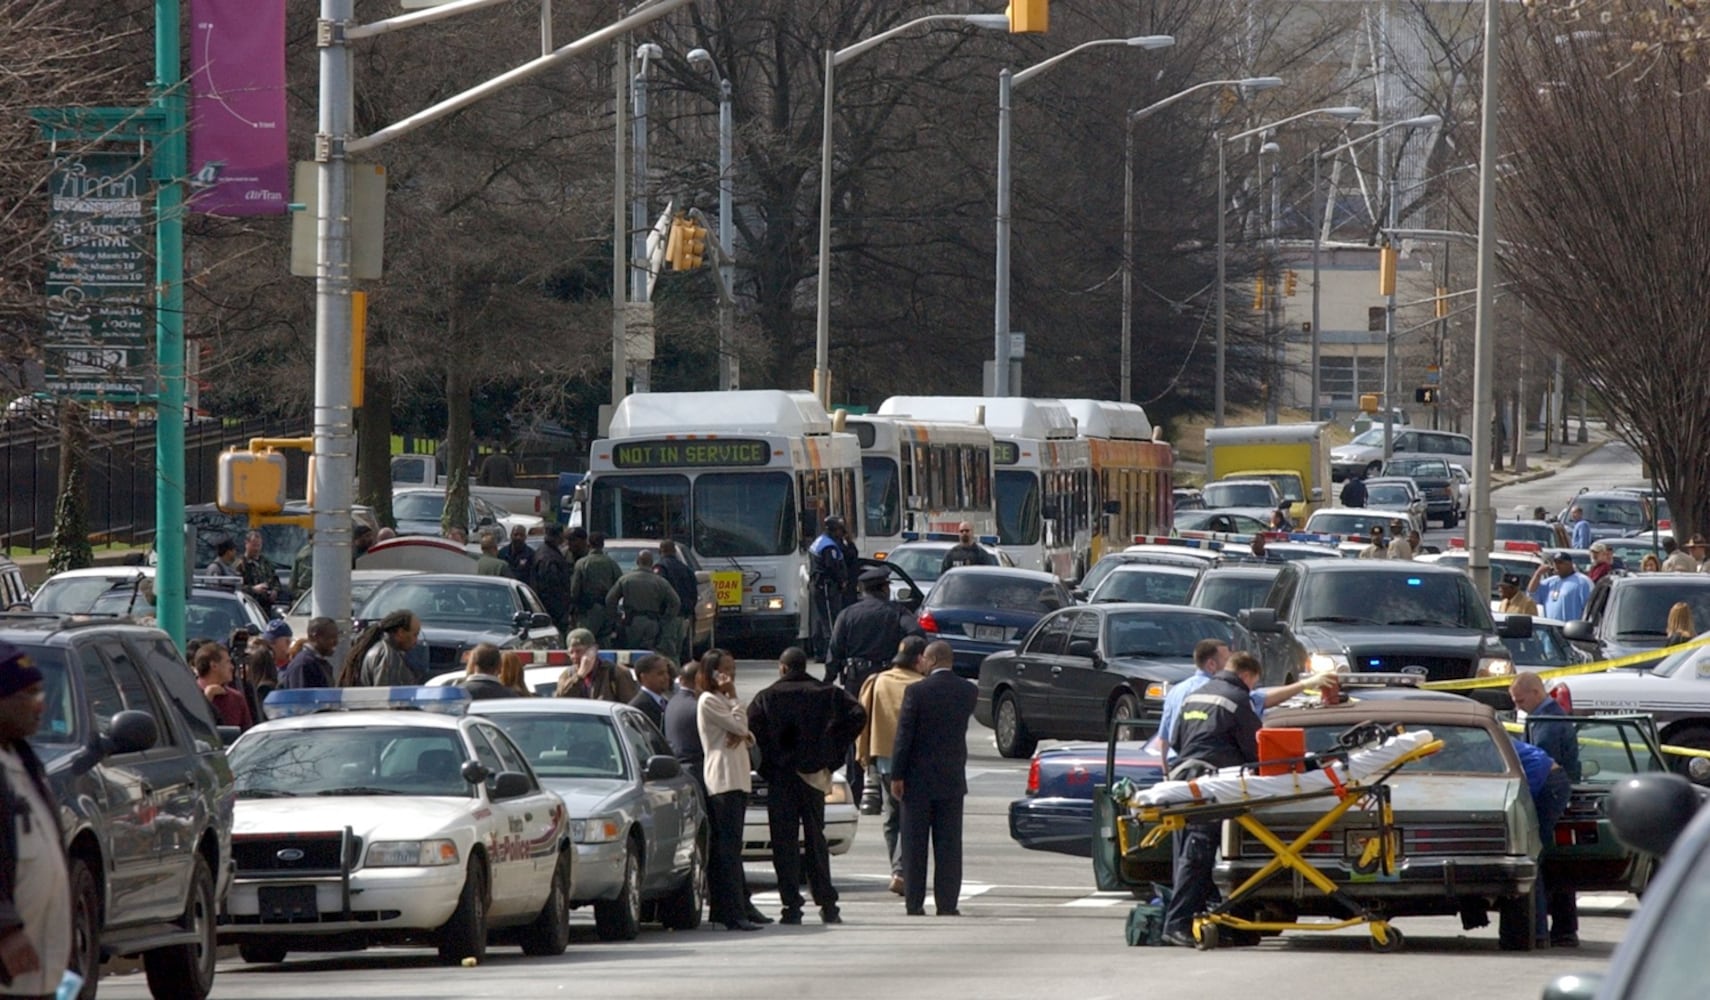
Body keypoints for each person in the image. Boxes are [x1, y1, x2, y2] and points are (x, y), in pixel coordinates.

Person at [747, 647, 868, 925]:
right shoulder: (827, 694)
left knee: (784, 842)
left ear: (782, 667)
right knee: (816, 839)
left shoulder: (767, 697)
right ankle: (828, 904)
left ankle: (791, 906)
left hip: (781, 777)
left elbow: (753, 733)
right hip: (814, 776)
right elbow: (857, 715)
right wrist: (831, 754)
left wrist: (769, 764)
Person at [1162, 652, 1263, 948]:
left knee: (1192, 853)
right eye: (1253, 682)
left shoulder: (1196, 695)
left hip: (1185, 778)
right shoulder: (1238, 698)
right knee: (1199, 852)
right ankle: (1177, 923)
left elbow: (1177, 740)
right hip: (1213, 783)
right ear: (1247, 676)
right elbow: (1254, 749)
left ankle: (1206, 918)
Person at [0, 642, 72, 999]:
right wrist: (6, 930)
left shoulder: (25, 763)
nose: (40, 703)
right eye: (28, 693)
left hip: (36, 977)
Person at [889, 640, 976, 918]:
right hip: (951, 776)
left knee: (915, 846)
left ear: (933, 659)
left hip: (917, 778)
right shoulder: (968, 691)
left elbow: (904, 736)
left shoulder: (916, 692)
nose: (922, 664)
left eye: (925, 659)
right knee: (949, 846)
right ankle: (947, 904)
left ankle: (914, 903)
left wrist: (897, 774)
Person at [826, 566, 923, 804]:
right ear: (884, 589)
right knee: (888, 730)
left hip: (855, 679)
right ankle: (886, 786)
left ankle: (857, 789)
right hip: (886, 680)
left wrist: (828, 682)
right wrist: (905, 657)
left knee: (855, 732)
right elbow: (917, 635)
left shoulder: (847, 614)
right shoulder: (897, 612)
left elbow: (834, 652)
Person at [856, 636, 927, 895]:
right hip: (914, 763)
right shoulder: (921, 686)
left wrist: (864, 756)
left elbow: (863, 720)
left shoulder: (877, 681)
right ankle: (900, 871)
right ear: (919, 659)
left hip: (883, 759)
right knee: (909, 819)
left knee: (892, 818)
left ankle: (897, 870)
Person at [696, 656, 762, 931]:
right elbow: (739, 727)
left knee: (733, 847)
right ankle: (731, 911)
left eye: (732, 671)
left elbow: (747, 735)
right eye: (725, 670)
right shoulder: (709, 700)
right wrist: (736, 705)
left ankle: (737, 907)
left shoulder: (722, 701)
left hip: (738, 778)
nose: (730, 676)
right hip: (722, 779)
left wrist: (742, 730)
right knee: (727, 849)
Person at [1511, 736, 1574, 948]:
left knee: (1529, 854)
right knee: (1537, 856)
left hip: (1547, 780)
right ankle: (1562, 932)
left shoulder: (1471, 741)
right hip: (1549, 777)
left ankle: (1538, 933)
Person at [606, 550, 680, 655]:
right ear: (652, 563)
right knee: (649, 653)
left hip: (630, 622)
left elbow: (610, 600)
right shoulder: (660, 581)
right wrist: (665, 619)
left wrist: (617, 617)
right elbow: (675, 602)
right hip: (652, 622)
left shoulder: (625, 579)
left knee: (630, 652)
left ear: (637, 561)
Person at [339, 610, 421, 687]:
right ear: (401, 633)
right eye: (415, 635)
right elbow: (385, 695)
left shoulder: (383, 650)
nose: (416, 640)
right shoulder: (386, 655)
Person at [554, 629, 638, 702]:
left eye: (579, 651)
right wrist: (579, 676)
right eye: (571, 652)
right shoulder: (568, 675)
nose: (575, 656)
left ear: (594, 650)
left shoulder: (615, 673)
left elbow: (630, 707)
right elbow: (560, 701)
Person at [808, 516, 850, 660]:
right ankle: (831, 653)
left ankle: (819, 652)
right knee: (831, 621)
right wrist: (841, 581)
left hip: (818, 585)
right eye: (840, 530)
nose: (842, 533)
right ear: (834, 530)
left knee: (820, 619)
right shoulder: (828, 546)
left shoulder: (820, 541)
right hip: (826, 586)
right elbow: (832, 567)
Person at [570, 532, 622, 641]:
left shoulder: (582, 563)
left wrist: (574, 608)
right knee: (605, 640)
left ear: (589, 544)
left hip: (587, 609)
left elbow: (575, 589)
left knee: (585, 640)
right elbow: (619, 584)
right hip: (607, 608)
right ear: (602, 545)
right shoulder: (611, 563)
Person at [654, 539, 699, 664]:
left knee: (667, 651)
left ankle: (672, 678)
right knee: (680, 650)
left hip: (668, 616)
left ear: (660, 551)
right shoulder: (686, 569)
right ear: (674, 551)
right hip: (684, 616)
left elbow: (659, 592)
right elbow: (694, 593)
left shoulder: (661, 568)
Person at [194, 642, 253, 730]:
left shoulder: (236, 698)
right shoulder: (189, 693)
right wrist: (207, 699)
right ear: (214, 666)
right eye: (228, 662)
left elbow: (246, 734)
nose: (232, 667)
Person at [532, 525, 574, 634]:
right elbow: (551, 587)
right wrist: (560, 612)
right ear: (559, 536)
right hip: (553, 611)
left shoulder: (545, 551)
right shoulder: (549, 557)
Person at [1529, 552, 1593, 621]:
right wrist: (1538, 574)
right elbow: (1532, 593)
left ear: (1570, 564)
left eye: (1560, 563)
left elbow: (1590, 608)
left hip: (1571, 628)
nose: (1556, 566)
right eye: (1554, 563)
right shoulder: (1550, 582)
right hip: (1551, 628)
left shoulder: (1582, 581)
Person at [280, 617, 339, 690]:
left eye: (336, 637)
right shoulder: (303, 665)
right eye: (331, 637)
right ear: (315, 637)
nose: (336, 642)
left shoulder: (321, 663)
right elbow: (300, 698)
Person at [628, 653, 671, 729]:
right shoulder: (637, 707)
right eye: (660, 674)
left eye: (666, 672)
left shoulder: (666, 702)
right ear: (644, 677)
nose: (666, 677)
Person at [238, 530, 281, 605]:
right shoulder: (240, 564)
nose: (256, 549)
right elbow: (235, 587)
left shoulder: (266, 563)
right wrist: (253, 589)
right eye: (254, 545)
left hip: (265, 606)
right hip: (247, 605)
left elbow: (275, 581)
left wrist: (275, 591)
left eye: (259, 545)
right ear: (246, 544)